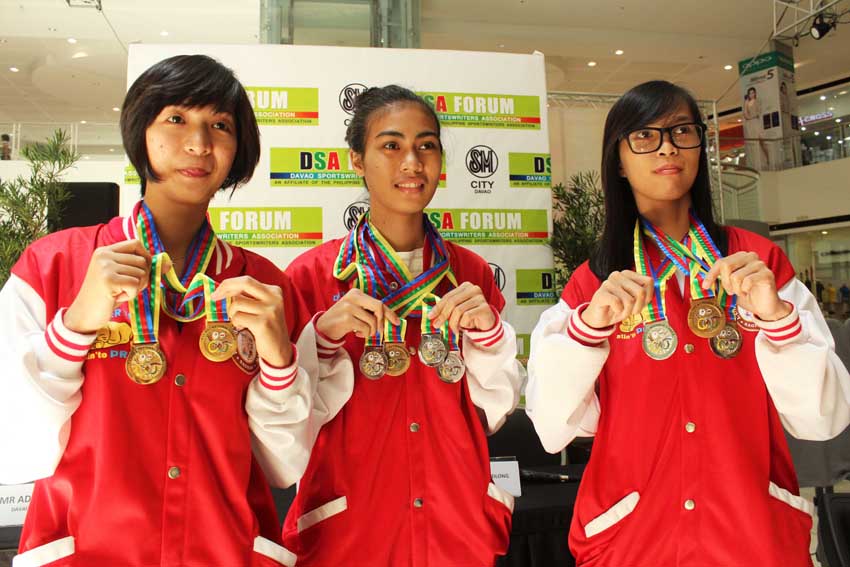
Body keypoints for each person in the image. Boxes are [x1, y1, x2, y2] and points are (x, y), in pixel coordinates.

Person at [0, 55, 317, 566]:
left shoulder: (265, 289)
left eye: (219, 125)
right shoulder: (52, 265)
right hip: (87, 552)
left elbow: (283, 463)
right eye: (176, 119)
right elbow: (13, 448)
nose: (199, 143)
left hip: (224, 551)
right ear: (140, 130)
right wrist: (77, 326)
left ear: (239, 150)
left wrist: (280, 363)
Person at [526, 80, 850, 567]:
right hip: (634, 537)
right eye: (645, 136)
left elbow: (823, 419)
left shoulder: (758, 263)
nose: (667, 148)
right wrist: (587, 331)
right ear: (617, 159)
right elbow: (552, 429)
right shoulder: (593, 283)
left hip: (750, 535)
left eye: (681, 132)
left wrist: (777, 318)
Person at [280, 85, 523, 566]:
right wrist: (323, 338)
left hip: (455, 526)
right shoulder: (311, 277)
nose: (412, 162)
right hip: (350, 532)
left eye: (426, 145)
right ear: (356, 159)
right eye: (391, 145)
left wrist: (488, 338)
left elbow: (492, 412)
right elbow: (287, 428)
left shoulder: (471, 275)